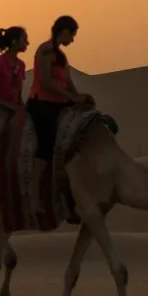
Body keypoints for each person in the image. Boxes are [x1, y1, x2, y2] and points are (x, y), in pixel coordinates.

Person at [26, 15, 94, 213]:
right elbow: (47, 82)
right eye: (71, 35)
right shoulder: (45, 51)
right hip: (42, 103)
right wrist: (71, 97)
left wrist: (79, 97)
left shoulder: (61, 56)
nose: (72, 39)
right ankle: (34, 196)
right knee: (46, 147)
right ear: (63, 32)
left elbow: (68, 82)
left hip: (61, 102)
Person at [0, 26, 29, 213]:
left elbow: (18, 94)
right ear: (14, 42)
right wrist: (11, 107)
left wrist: (22, 108)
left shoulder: (21, 65)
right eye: (24, 39)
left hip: (14, 108)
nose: (27, 43)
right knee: (1, 131)